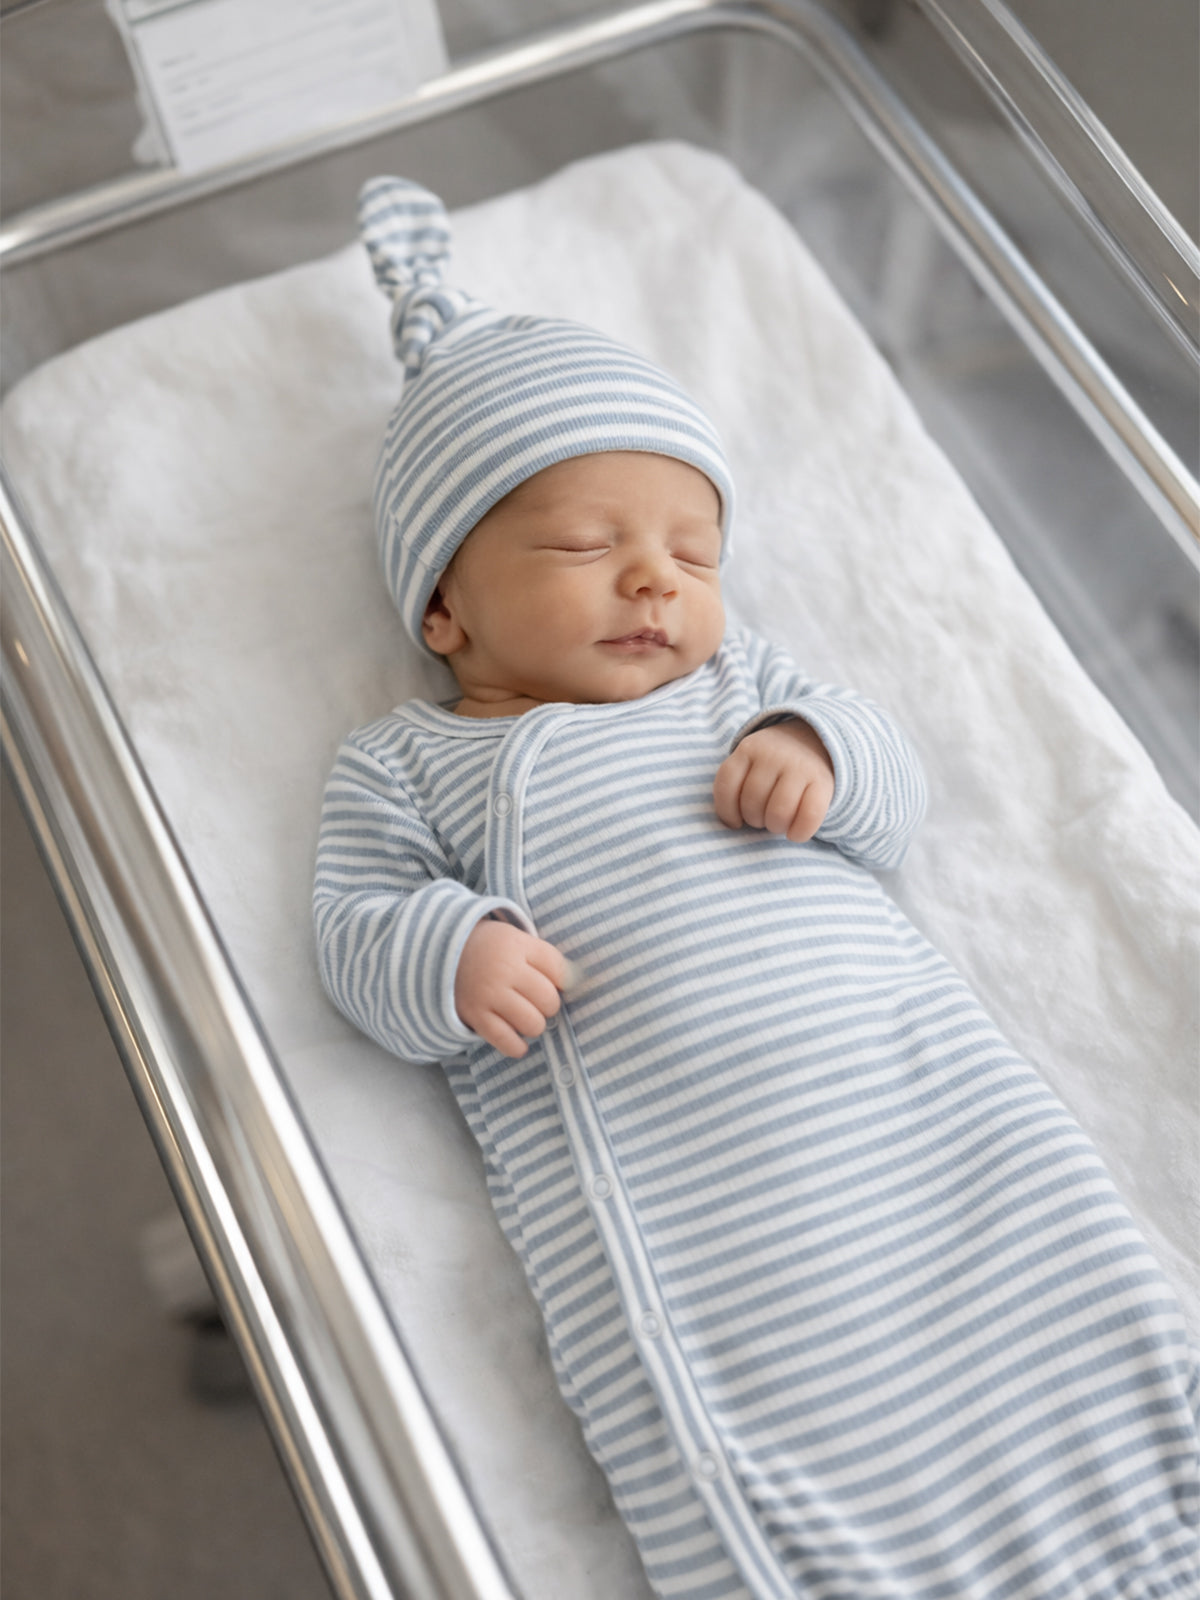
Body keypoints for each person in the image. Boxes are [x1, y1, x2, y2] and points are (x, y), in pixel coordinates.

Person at [314, 176, 1199, 1600]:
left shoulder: (747, 682)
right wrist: (451, 948)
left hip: (926, 1119)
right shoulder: (410, 766)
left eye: (693, 552)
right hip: (715, 1220)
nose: (657, 582)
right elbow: (354, 930)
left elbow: (895, 800)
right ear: (444, 607)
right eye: (590, 549)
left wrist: (822, 754)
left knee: (1075, 1318)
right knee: (789, 1451)